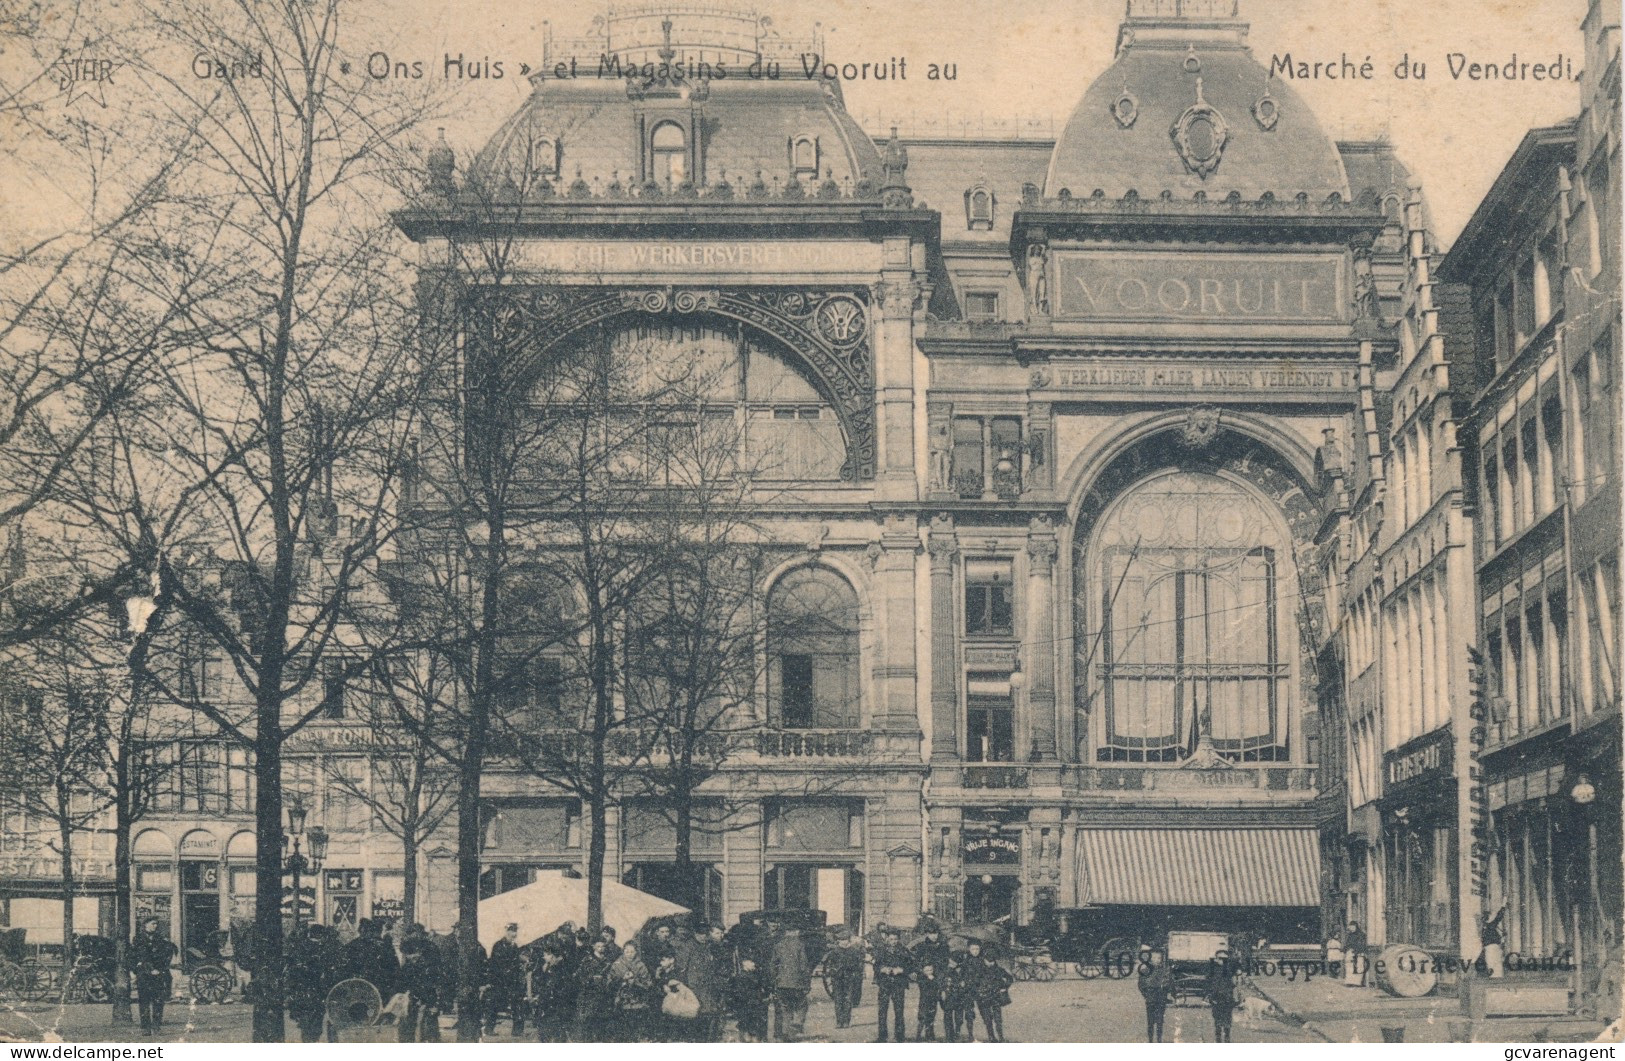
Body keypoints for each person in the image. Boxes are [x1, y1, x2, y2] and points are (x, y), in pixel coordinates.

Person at [671, 922, 727, 1042]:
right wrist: (682, 986)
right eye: (700, 934)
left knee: (709, 1014)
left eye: (705, 934)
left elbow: (716, 965)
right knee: (694, 1014)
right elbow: (681, 968)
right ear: (695, 933)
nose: (703, 937)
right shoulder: (688, 947)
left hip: (708, 986)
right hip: (693, 987)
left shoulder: (710, 946)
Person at [130, 918, 175, 1034]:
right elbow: (138, 956)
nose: (155, 926)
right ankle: (145, 1028)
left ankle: (156, 1026)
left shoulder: (160, 939)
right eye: (153, 924)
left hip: (158, 974)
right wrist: (141, 969)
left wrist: (160, 969)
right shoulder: (138, 939)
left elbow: (164, 954)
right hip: (144, 974)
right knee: (144, 1001)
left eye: (156, 924)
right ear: (145, 925)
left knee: (158, 1001)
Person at [285, 925, 329, 1043]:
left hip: (301, 991)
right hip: (316, 992)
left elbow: (292, 970)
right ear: (321, 935)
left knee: (305, 1026)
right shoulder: (321, 949)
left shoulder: (299, 947)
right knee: (315, 1025)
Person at [768, 926, 811, 1042]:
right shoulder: (800, 945)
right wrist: (807, 983)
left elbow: (773, 965)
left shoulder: (778, 945)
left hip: (782, 984)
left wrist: (775, 981)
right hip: (797, 984)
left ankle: (785, 1033)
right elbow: (804, 966)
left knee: (785, 1009)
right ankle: (797, 1025)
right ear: (796, 931)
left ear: (786, 932)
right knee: (802, 1005)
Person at [485, 922, 526, 1036]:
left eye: (515, 931)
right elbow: (495, 964)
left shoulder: (515, 946)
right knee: (494, 1006)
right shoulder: (498, 945)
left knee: (517, 1005)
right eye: (511, 931)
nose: (514, 934)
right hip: (499, 981)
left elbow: (516, 964)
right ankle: (488, 1029)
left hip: (512, 982)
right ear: (506, 932)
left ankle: (517, 1031)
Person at [343, 918, 401, 999]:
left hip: (361, 985)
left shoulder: (351, 945)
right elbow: (395, 968)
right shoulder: (384, 945)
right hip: (378, 986)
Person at [965, 939, 1010, 1043]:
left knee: (995, 1018)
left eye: (977, 949)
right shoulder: (969, 962)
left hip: (989, 995)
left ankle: (998, 1037)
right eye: (973, 949)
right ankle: (983, 1037)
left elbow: (1003, 976)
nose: (975, 951)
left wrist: (1003, 987)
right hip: (976, 994)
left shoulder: (988, 962)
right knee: (981, 1017)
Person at [398, 936, 442, 1042]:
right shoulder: (407, 967)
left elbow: (432, 985)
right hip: (412, 1001)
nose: (411, 957)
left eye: (413, 954)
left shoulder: (429, 966)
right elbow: (402, 984)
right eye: (408, 955)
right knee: (408, 1027)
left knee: (428, 1029)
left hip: (427, 1001)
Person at [610, 940, 656, 1041]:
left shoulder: (641, 965)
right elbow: (610, 981)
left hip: (637, 999)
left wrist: (635, 982)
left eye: (632, 952)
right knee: (622, 1028)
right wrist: (622, 979)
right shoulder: (616, 964)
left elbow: (648, 983)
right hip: (622, 1000)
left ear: (636, 952)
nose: (630, 954)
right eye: (627, 952)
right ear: (623, 952)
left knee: (636, 1027)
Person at [872, 926, 911, 1042]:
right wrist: (882, 969)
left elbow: (911, 965)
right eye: (891, 939)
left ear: (898, 939)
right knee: (882, 1011)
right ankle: (882, 1036)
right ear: (887, 939)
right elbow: (876, 965)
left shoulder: (904, 951)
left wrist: (902, 970)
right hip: (884, 984)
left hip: (899, 984)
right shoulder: (881, 950)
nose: (893, 942)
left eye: (895, 939)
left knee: (899, 1011)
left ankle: (900, 1037)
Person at [531, 945, 575, 1042]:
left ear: (552, 956)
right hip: (550, 1002)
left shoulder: (558, 968)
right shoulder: (548, 966)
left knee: (554, 1029)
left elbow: (553, 985)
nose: (544, 957)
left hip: (555, 1002)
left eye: (546, 955)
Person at [823, 926, 864, 1029]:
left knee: (848, 1000)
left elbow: (858, 966)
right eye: (841, 940)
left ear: (848, 940)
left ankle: (846, 1021)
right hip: (837, 979)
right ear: (838, 941)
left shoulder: (854, 951)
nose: (843, 942)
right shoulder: (834, 952)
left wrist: (853, 971)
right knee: (838, 1000)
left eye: (845, 940)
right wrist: (834, 971)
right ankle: (839, 1021)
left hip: (849, 979)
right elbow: (829, 965)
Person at [575, 940, 616, 1042]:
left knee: (602, 1021)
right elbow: (580, 975)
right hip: (589, 994)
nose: (600, 948)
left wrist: (606, 980)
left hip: (603, 994)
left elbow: (611, 976)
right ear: (593, 947)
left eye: (602, 946)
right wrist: (591, 979)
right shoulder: (587, 960)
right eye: (598, 946)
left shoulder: (608, 961)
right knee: (589, 1020)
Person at [728, 955, 771, 1042]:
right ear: (745, 965)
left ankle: (749, 1037)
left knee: (748, 1021)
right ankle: (750, 1037)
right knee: (749, 1021)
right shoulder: (744, 976)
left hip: (750, 1002)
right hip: (749, 1002)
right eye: (751, 963)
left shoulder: (749, 975)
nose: (753, 964)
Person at [1136, 946, 1172, 1043]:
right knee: (1150, 1022)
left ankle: (1159, 1040)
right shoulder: (1146, 970)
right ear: (1150, 959)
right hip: (1151, 999)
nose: (1157, 960)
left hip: (1161, 999)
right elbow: (1141, 984)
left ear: (1162, 959)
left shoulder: (1165, 970)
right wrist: (1146, 995)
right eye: (1154, 958)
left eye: (1159, 958)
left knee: (1160, 1021)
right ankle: (1150, 1041)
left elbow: (1169, 983)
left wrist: (1166, 993)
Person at [942, 953, 977, 1042]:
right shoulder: (948, 970)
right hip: (950, 997)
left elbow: (970, 982)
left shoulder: (965, 970)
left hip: (961, 997)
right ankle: (949, 1036)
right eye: (950, 962)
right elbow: (943, 981)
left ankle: (958, 1033)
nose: (950, 964)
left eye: (953, 963)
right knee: (948, 1017)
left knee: (959, 1018)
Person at [1206, 949, 1238, 1043]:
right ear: (1216, 958)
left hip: (1227, 998)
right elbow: (1209, 981)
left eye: (1224, 958)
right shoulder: (1212, 969)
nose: (1221, 960)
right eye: (1219, 958)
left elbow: (1233, 978)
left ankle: (1227, 1040)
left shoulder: (1229, 969)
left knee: (1227, 1021)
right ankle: (1218, 1041)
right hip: (1216, 998)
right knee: (1217, 1021)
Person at [913, 959, 944, 1041]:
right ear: (923, 971)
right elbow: (923, 986)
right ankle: (918, 1036)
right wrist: (929, 979)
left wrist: (933, 979)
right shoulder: (921, 978)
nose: (929, 972)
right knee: (922, 1019)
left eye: (931, 970)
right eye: (927, 970)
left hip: (933, 1002)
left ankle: (930, 1036)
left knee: (931, 1019)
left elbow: (938, 986)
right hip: (924, 1002)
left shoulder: (935, 978)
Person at [1342, 921, 1368, 987]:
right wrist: (1345, 949)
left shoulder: (1361, 935)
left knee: (1358, 966)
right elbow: (1347, 944)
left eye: (1353, 926)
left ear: (1356, 926)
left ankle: (1357, 982)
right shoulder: (1350, 935)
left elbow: (1361, 944)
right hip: (1350, 953)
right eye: (1350, 927)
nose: (1351, 928)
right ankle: (1350, 981)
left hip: (1358, 953)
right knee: (1349, 967)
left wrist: (1356, 950)